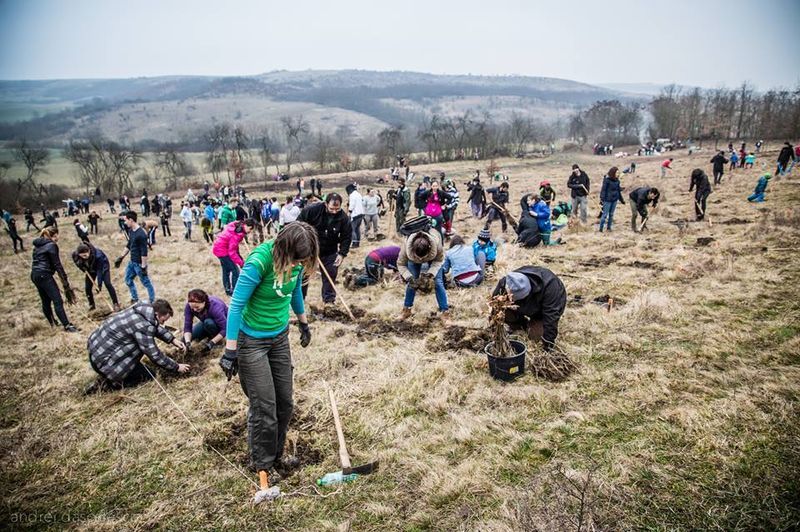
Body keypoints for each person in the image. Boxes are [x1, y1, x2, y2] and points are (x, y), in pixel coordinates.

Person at [219, 222, 318, 493]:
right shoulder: (259, 262)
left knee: (285, 403)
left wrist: (303, 322)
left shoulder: (297, 262)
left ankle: (276, 456)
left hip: (279, 337)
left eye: (302, 261)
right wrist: (230, 351)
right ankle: (262, 464)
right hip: (251, 341)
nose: (298, 265)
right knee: (265, 406)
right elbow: (236, 305)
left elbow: (294, 291)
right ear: (284, 250)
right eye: (295, 260)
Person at [86, 300, 190, 393]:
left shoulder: (141, 310)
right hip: (105, 362)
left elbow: (154, 326)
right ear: (157, 314)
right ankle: (109, 384)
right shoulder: (144, 326)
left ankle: (108, 374)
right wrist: (176, 367)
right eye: (163, 321)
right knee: (149, 377)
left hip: (96, 353)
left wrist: (173, 340)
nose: (163, 324)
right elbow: (154, 355)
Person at [491, 267, 566, 352]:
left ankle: (534, 324)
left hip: (543, 311)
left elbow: (551, 318)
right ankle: (520, 324)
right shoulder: (508, 282)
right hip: (521, 307)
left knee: (536, 336)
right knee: (505, 312)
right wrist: (495, 330)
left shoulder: (551, 287)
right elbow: (495, 308)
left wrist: (548, 346)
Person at [297, 193, 351, 304]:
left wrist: (342, 254)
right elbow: (298, 226)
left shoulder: (343, 218)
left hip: (329, 250)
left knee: (331, 272)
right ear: (326, 204)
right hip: (309, 250)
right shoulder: (312, 210)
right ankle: (300, 300)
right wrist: (304, 244)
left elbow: (347, 236)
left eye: (337, 209)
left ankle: (329, 301)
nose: (334, 211)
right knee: (303, 274)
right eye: (332, 209)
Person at [397, 226, 449, 322]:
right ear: (412, 249)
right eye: (419, 257)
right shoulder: (406, 247)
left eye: (423, 257)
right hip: (413, 260)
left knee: (438, 282)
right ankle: (406, 310)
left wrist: (431, 274)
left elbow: (439, 260)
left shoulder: (436, 243)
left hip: (434, 258)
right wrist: (408, 277)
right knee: (411, 283)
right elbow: (401, 264)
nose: (421, 260)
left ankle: (445, 312)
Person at [30, 227, 78, 332]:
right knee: (57, 300)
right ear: (52, 236)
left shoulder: (37, 245)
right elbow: (57, 265)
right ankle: (67, 326)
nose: (57, 238)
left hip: (35, 275)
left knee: (45, 300)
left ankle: (52, 323)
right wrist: (65, 281)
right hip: (44, 275)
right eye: (56, 236)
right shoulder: (52, 245)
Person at [115, 211, 155, 304]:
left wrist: (143, 267)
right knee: (128, 280)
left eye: (126, 220)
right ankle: (135, 298)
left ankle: (152, 301)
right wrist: (121, 257)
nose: (125, 223)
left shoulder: (141, 234)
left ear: (131, 220)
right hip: (132, 262)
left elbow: (144, 252)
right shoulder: (131, 231)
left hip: (139, 263)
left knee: (146, 282)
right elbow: (129, 244)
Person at [72, 243, 121, 312]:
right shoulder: (75, 255)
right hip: (90, 269)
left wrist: (99, 285)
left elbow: (99, 271)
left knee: (107, 283)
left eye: (85, 255)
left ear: (88, 251)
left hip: (103, 267)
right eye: (82, 256)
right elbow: (76, 262)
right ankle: (92, 305)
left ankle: (116, 303)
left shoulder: (98, 256)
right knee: (87, 287)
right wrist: (82, 268)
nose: (84, 257)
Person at [213, 219, 255, 296]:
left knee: (226, 270)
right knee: (235, 270)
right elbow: (232, 252)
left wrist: (240, 258)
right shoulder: (237, 233)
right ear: (246, 225)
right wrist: (241, 263)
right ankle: (235, 291)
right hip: (222, 250)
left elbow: (235, 247)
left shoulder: (237, 226)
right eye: (250, 229)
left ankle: (228, 290)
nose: (250, 231)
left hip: (218, 248)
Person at [599, 166, 625, 232]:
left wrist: (622, 200)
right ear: (613, 173)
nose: (618, 174)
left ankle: (609, 228)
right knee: (605, 215)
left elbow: (618, 191)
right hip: (607, 200)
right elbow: (603, 190)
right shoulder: (607, 180)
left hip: (614, 200)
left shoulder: (617, 181)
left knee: (611, 214)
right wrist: (602, 199)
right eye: (617, 173)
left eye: (618, 173)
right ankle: (601, 229)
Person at [348, 183, 365, 248]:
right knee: (357, 229)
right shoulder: (358, 194)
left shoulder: (352, 195)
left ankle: (354, 243)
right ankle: (358, 243)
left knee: (352, 229)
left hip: (355, 214)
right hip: (361, 213)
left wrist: (349, 212)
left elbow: (352, 205)